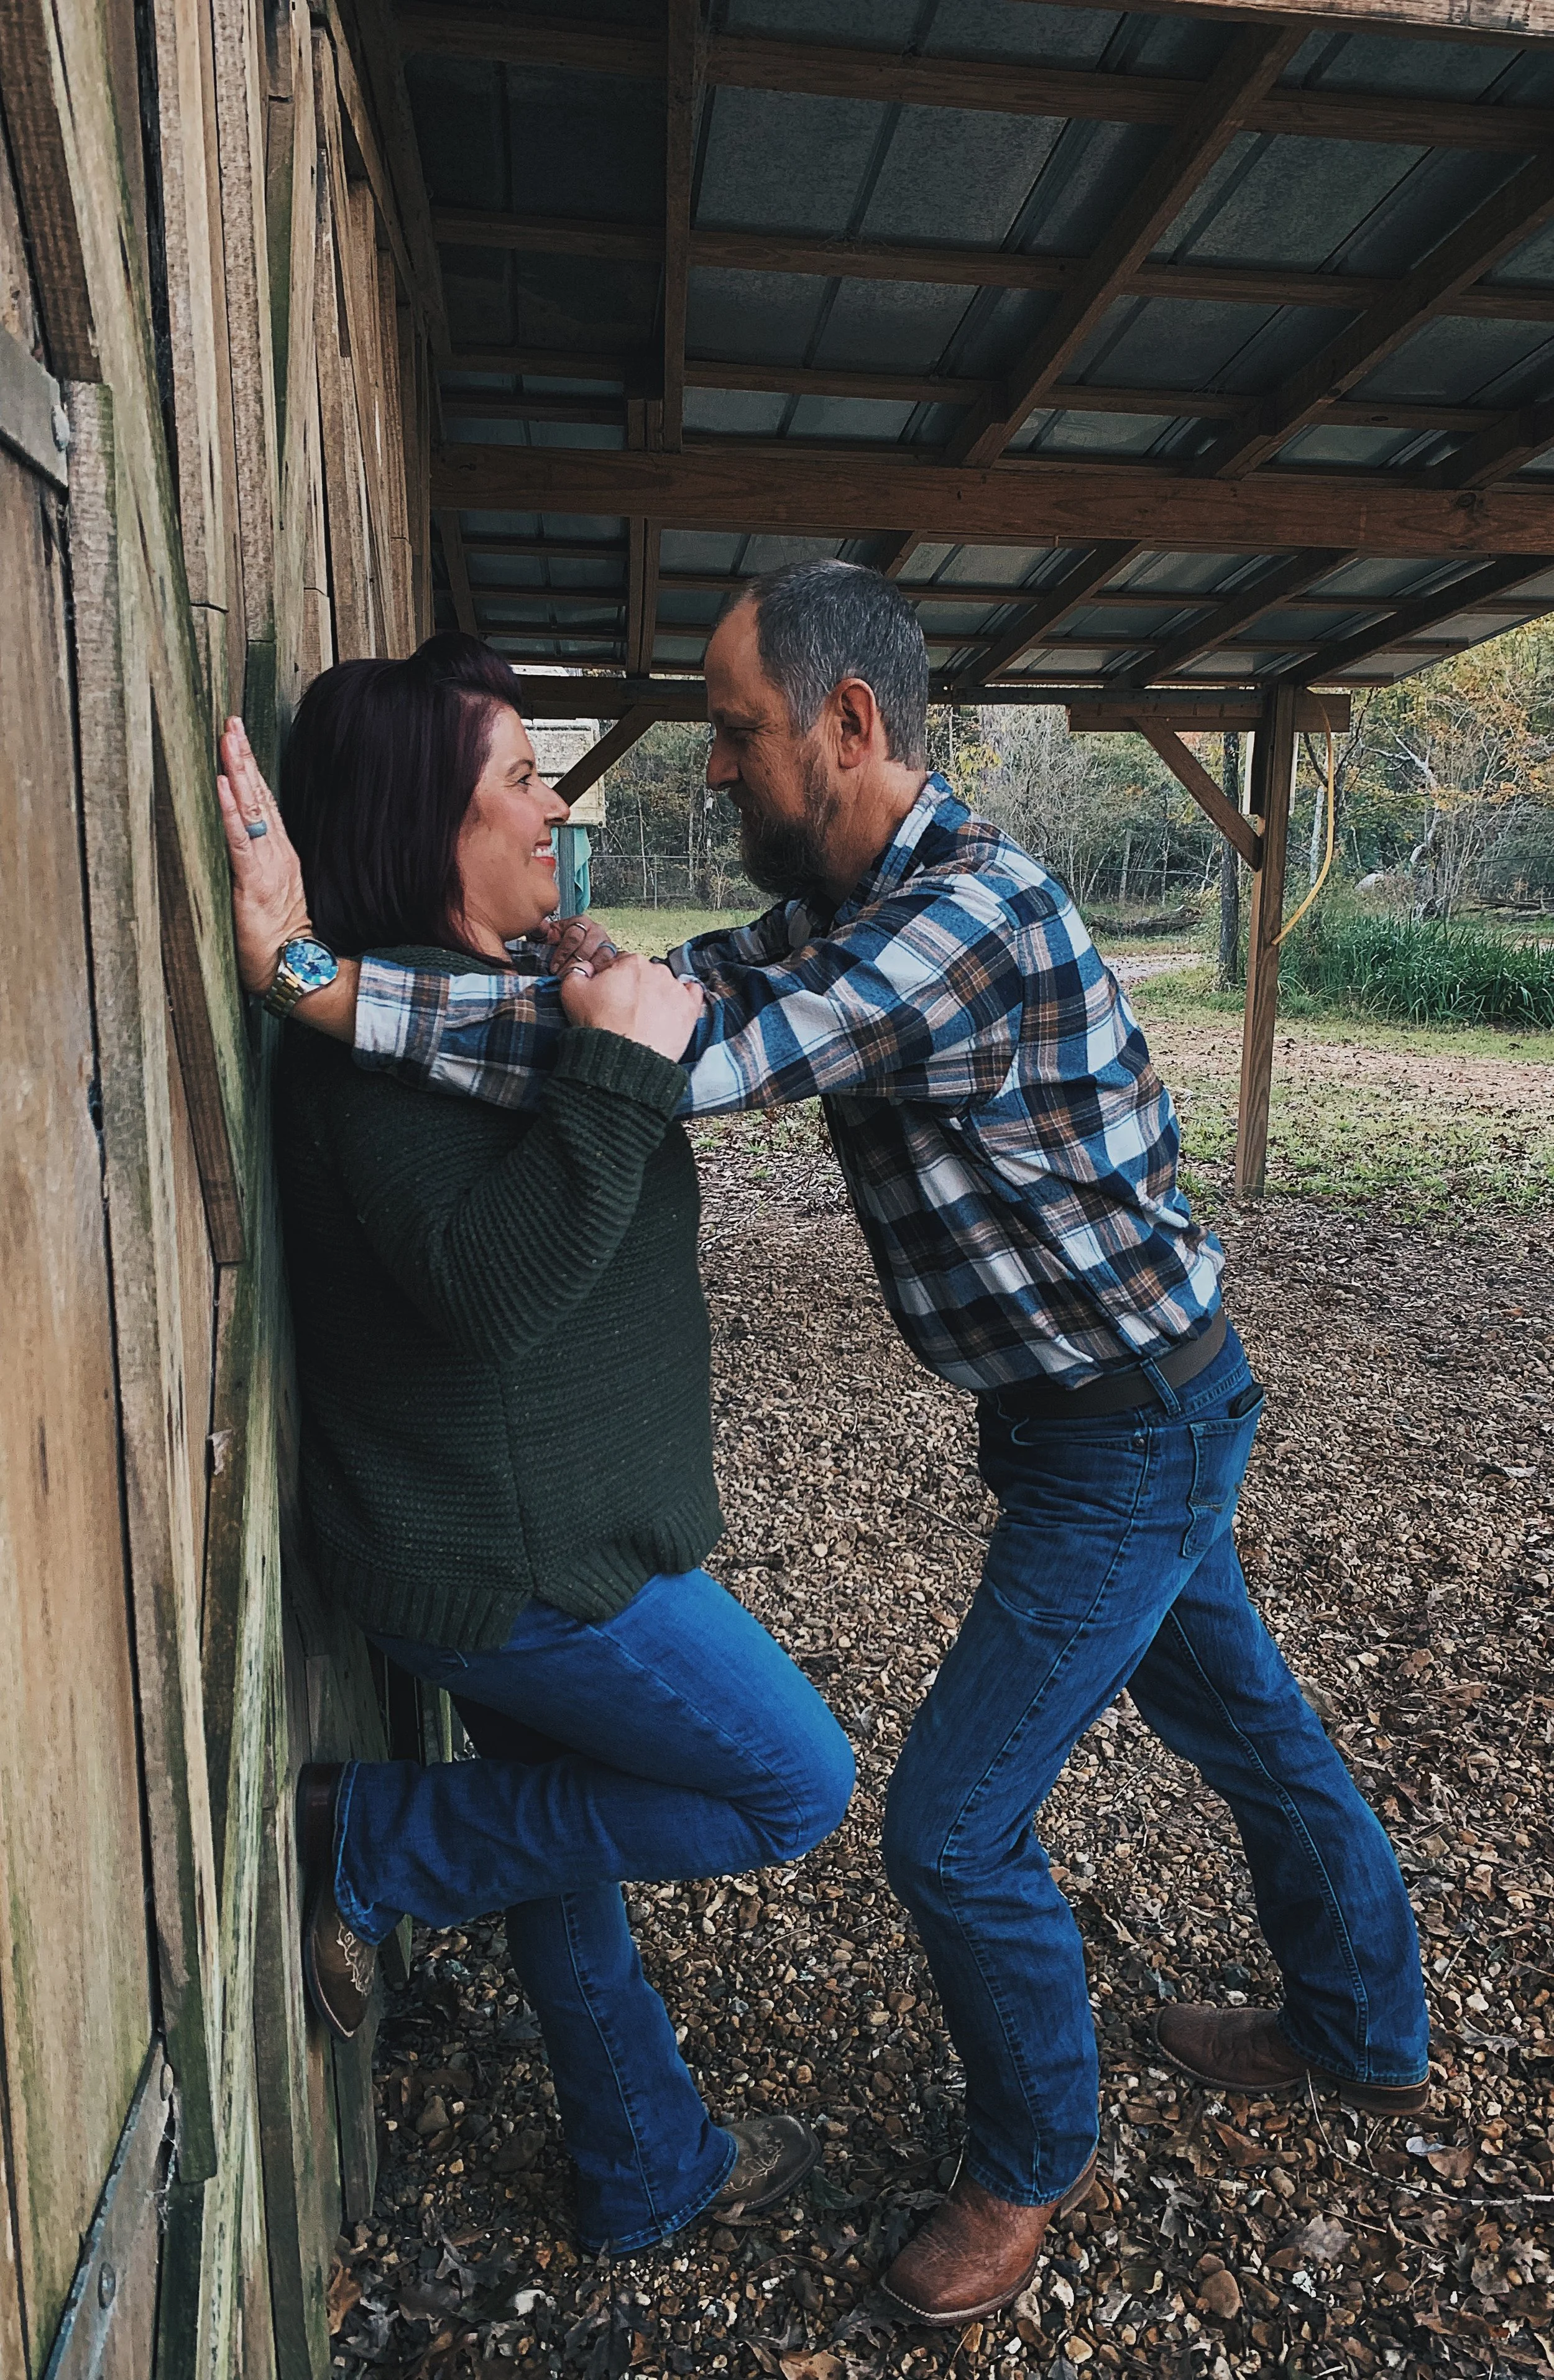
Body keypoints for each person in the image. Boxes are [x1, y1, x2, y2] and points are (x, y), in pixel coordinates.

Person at [226, 569, 1430, 2328]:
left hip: (1132, 1433)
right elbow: (668, 996)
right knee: (1237, 1714)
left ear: (847, 729)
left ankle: (1031, 2161)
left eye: (732, 733)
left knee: (947, 1826)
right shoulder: (863, 900)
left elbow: (692, 1054)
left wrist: (317, 982)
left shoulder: (969, 916)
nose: (708, 771)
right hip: (1097, 1415)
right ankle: (1365, 2023)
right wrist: (470, 983)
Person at [216, 632, 855, 2258]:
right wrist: (617, 1075)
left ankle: (647, 2161)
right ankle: (366, 1840)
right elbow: (495, 1295)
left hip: (522, 1538)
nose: (554, 800)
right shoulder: (372, 1069)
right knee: (791, 1777)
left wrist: (592, 1026)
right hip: (515, 1565)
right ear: (417, 823)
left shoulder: (455, 1009)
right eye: (516, 775)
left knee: (560, 1834)